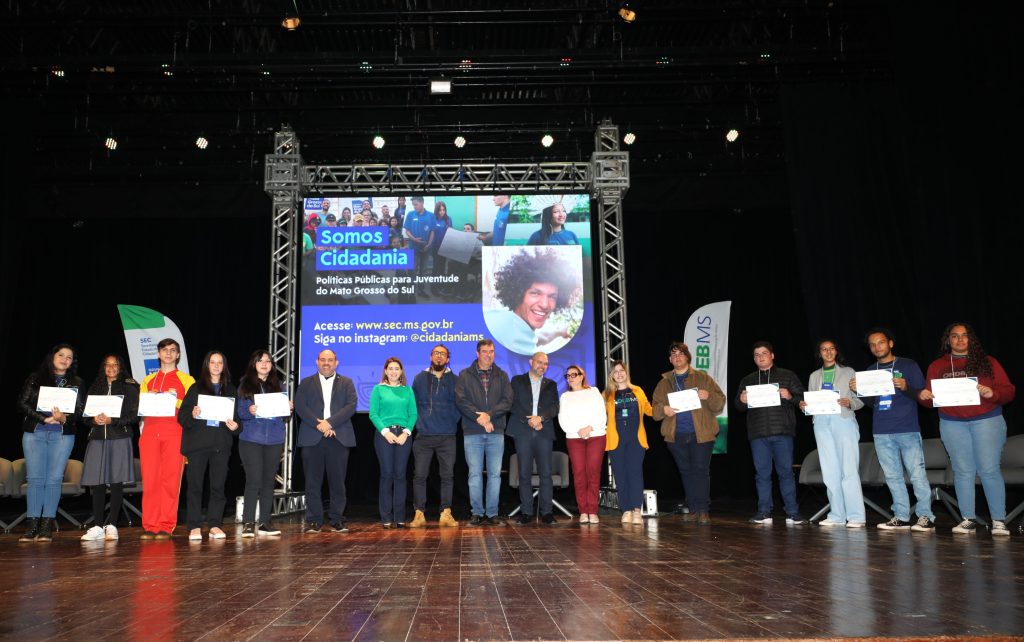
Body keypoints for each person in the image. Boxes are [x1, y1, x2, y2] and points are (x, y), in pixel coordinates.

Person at [919, 323, 1016, 536]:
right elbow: (929, 399)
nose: (960, 340)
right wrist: (924, 398)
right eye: (955, 336)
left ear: (971, 339)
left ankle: (998, 520)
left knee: (989, 470)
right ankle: (968, 519)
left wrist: (993, 394)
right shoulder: (936, 366)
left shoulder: (988, 362)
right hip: (952, 423)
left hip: (987, 421)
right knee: (962, 471)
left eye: (964, 336)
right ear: (948, 340)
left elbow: (1008, 391)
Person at [849, 328, 935, 532]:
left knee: (916, 474)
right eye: (872, 344)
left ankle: (925, 516)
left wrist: (907, 387)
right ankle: (902, 516)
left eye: (880, 342)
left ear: (890, 343)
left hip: (907, 428)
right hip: (881, 430)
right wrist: (858, 391)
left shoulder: (908, 365)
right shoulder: (870, 370)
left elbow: (922, 396)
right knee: (892, 476)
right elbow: (872, 403)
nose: (877, 347)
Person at [651, 342, 726, 525]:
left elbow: (719, 403)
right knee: (686, 472)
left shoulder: (702, 378)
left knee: (700, 471)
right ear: (670, 360)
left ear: (687, 357)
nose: (677, 357)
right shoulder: (664, 383)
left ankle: (703, 510)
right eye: (673, 354)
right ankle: (693, 509)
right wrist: (664, 409)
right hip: (676, 435)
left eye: (681, 354)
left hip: (701, 434)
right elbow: (655, 410)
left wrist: (708, 396)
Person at [734, 341, 808, 525]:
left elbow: (803, 399)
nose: (760, 357)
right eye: (756, 354)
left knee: (786, 473)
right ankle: (764, 512)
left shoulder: (787, 375)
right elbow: (737, 406)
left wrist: (791, 396)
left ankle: (792, 512)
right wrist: (742, 400)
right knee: (762, 474)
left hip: (782, 432)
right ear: (753, 358)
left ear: (772, 355)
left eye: (764, 353)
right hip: (758, 434)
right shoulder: (748, 379)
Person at [16, 343, 84, 542]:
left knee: (54, 480)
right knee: (35, 479)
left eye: (69, 357)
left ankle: (46, 526)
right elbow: (22, 403)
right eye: (61, 355)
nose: (64, 359)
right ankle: (32, 526)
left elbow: (79, 411)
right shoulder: (36, 378)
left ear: (72, 363)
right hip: (35, 432)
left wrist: (64, 418)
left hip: (62, 435)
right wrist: (42, 418)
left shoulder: (77, 382)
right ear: (52, 357)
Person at [799, 340, 866, 528]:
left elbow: (860, 399)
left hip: (843, 420)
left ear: (836, 352)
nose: (828, 352)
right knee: (829, 470)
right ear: (819, 354)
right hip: (821, 422)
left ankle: (856, 516)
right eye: (824, 350)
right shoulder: (814, 376)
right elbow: (811, 401)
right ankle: (837, 514)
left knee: (849, 469)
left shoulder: (849, 372)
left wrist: (850, 403)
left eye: (831, 349)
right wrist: (805, 406)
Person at [178, 351, 239, 541]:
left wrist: (236, 426)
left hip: (220, 445)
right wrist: (193, 414)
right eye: (212, 362)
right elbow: (182, 417)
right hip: (198, 445)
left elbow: (237, 420)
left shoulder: (230, 390)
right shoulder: (196, 388)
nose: (216, 366)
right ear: (207, 365)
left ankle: (214, 524)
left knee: (218, 487)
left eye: (220, 362)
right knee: (195, 486)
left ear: (224, 366)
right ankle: (194, 526)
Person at [294, 348, 357, 533]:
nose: (326, 363)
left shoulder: (347, 382)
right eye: (323, 359)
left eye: (330, 360)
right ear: (317, 361)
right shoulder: (306, 383)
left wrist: (329, 423)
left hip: (338, 437)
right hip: (312, 437)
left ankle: (337, 519)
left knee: (338, 481)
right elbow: (300, 406)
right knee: (312, 482)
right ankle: (314, 520)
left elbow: (351, 406)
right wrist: (318, 425)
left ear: (336, 363)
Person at [139, 338, 195, 540]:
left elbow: (191, 409)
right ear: (158, 354)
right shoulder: (147, 381)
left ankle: (166, 524)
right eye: (164, 350)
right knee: (151, 480)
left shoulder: (187, 380)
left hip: (175, 433)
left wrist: (173, 398)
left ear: (178, 355)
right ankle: (150, 524)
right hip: (150, 434)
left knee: (170, 480)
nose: (168, 354)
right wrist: (152, 397)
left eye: (173, 350)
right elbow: (142, 408)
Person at [79, 354, 139, 542]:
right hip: (97, 438)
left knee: (116, 482)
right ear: (103, 367)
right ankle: (97, 525)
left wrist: (114, 421)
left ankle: (112, 524)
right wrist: (92, 420)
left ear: (120, 368)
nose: (111, 368)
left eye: (115, 365)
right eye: (108, 365)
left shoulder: (130, 387)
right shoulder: (95, 387)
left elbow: (135, 415)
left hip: (119, 437)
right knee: (96, 483)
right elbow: (85, 417)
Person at [455, 339, 513, 525]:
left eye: (492, 351)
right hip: (472, 431)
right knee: (475, 474)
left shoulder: (502, 375)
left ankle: (492, 513)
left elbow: (507, 401)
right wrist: (479, 418)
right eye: (485, 351)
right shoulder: (465, 375)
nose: (489, 354)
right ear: (477, 353)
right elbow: (461, 401)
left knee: (495, 474)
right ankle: (477, 512)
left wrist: (489, 415)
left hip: (496, 431)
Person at [235, 350, 290, 538]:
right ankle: (248, 522)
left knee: (268, 481)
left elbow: (284, 415)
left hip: (274, 439)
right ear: (254, 364)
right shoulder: (245, 384)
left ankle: (265, 522)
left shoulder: (279, 385)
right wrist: (249, 409)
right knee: (254, 480)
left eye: (268, 361)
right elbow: (239, 412)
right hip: (251, 439)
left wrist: (288, 408)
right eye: (260, 361)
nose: (265, 364)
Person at [484, 248, 580, 355]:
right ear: (518, 293)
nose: (544, 304)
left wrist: (559, 332)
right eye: (535, 293)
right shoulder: (513, 336)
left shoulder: (511, 324)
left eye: (552, 296)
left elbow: (539, 338)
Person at [409, 345, 460, 528]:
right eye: (436, 353)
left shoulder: (456, 380)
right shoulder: (419, 379)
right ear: (431, 357)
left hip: (447, 436)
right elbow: (412, 406)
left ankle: (446, 512)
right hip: (424, 436)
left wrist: (451, 422)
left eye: (443, 354)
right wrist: (419, 424)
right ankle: (419, 513)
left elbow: (460, 405)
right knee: (420, 476)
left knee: (447, 476)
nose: (439, 357)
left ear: (448, 359)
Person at [508, 352, 560, 524]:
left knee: (546, 473)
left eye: (545, 363)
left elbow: (555, 407)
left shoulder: (551, 384)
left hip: (544, 431)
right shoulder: (517, 380)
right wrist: (530, 419)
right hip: (523, 431)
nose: (542, 366)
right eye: (539, 362)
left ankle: (546, 512)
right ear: (531, 362)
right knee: (524, 473)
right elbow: (512, 404)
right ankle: (526, 512)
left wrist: (541, 418)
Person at [369, 357, 417, 528]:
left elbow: (413, 415)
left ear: (401, 371)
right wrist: (385, 431)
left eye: (397, 368)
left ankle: (400, 517)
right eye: (390, 368)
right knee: (387, 474)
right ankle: (386, 517)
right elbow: (373, 414)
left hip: (404, 434)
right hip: (384, 435)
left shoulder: (408, 391)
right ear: (385, 371)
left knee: (400, 475)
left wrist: (406, 432)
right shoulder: (378, 389)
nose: (393, 371)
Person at [558, 364, 607, 524]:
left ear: (582, 376)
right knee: (579, 474)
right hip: (574, 438)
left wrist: (589, 428)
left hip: (596, 435)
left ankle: (593, 510)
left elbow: (601, 414)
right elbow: (563, 420)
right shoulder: (565, 396)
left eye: (574, 374)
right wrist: (578, 430)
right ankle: (583, 511)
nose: (571, 378)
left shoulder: (593, 392)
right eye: (568, 375)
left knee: (593, 472)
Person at [604, 361, 651, 524]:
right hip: (616, 440)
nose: (619, 373)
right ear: (612, 376)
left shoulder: (637, 390)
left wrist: (668, 407)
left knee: (635, 473)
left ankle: (637, 510)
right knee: (621, 476)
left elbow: (649, 410)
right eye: (615, 371)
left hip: (635, 439)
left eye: (621, 370)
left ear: (626, 372)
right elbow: (598, 415)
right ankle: (626, 510)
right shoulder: (607, 394)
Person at [403, 196, 434, 285]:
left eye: (416, 204)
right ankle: (412, 289)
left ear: (422, 203)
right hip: (413, 247)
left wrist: (428, 245)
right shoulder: (410, 214)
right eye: (413, 205)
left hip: (426, 248)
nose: (414, 207)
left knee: (423, 270)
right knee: (412, 269)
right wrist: (415, 240)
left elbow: (432, 231)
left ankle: (421, 288)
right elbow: (407, 230)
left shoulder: (431, 216)